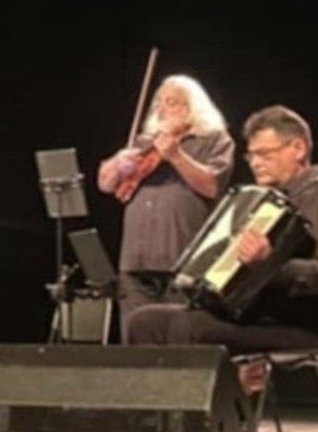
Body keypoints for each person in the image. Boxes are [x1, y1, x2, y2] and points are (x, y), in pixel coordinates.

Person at [125, 105, 318, 355]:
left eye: (264, 154)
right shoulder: (264, 201)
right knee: (143, 321)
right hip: (250, 315)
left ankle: (195, 382)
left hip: (293, 325)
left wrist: (268, 264)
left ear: (298, 149)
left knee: (187, 327)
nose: (255, 164)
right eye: (251, 156)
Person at [96, 75, 234, 328]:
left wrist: (176, 156)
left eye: (171, 102)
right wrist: (117, 163)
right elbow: (105, 184)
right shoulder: (144, 143)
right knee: (136, 335)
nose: (161, 108)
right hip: (135, 262)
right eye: (159, 102)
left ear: (192, 108)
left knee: (179, 337)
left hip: (182, 262)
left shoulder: (214, 140)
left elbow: (212, 186)